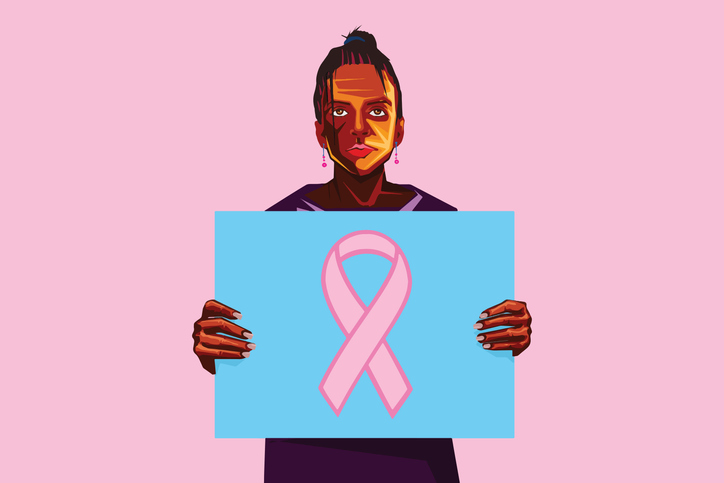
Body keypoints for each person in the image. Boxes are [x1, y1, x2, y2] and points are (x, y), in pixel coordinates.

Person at [192, 28, 533, 482]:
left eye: (377, 110)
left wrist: (507, 337)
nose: (358, 127)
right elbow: (253, 357)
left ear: (401, 126)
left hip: (419, 468)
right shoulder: (275, 230)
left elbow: (467, 357)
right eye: (339, 110)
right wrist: (214, 349)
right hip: (305, 464)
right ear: (319, 129)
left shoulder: (446, 228)